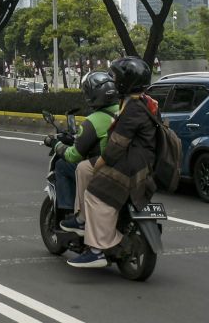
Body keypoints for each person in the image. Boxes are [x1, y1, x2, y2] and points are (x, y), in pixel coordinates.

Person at [67, 56, 158, 269]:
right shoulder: (141, 101)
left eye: (115, 77)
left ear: (126, 82)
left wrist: (100, 164)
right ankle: (81, 219)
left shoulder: (133, 109)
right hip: (139, 161)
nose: (113, 80)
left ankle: (97, 250)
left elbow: (115, 147)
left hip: (132, 166)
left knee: (95, 193)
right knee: (83, 168)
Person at [54, 72, 121, 233]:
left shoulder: (93, 121)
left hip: (103, 168)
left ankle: (74, 214)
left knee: (62, 165)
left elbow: (74, 155)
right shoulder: (125, 111)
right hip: (126, 166)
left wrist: (56, 145)